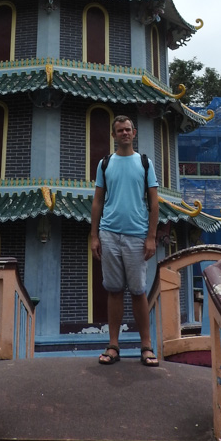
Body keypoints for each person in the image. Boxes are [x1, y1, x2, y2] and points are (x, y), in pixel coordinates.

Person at [90, 115, 160, 366]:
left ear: (134, 132)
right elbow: (98, 201)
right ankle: (113, 345)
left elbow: (154, 203)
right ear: (114, 135)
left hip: (136, 235)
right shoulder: (105, 163)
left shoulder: (144, 163)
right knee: (114, 289)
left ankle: (146, 346)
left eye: (128, 129)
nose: (124, 133)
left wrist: (151, 237)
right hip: (109, 233)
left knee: (139, 291)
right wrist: (94, 235)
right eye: (120, 130)